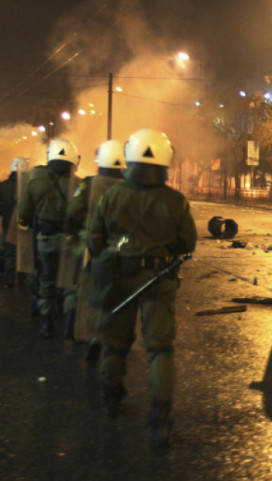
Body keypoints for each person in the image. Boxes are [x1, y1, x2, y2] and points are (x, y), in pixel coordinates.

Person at [87, 128, 196, 448]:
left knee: (115, 342)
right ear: (166, 163)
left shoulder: (112, 196)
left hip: (118, 279)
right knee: (159, 348)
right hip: (158, 282)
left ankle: (110, 396)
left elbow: (94, 240)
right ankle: (161, 419)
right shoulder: (176, 201)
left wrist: (115, 255)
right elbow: (187, 242)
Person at [64, 140, 126, 350]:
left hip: (92, 246)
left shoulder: (89, 184)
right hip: (122, 248)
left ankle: (79, 329)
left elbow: (73, 212)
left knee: (83, 288)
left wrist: (71, 231)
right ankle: (110, 334)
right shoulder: (132, 188)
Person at [17, 139, 80, 338]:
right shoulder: (79, 185)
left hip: (45, 238)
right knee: (70, 279)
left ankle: (47, 323)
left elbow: (23, 214)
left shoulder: (36, 182)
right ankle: (69, 322)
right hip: (71, 239)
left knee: (46, 278)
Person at [0, 158, 20, 287]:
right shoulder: (30, 184)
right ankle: (24, 276)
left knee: (9, 251)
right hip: (26, 224)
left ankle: (10, 278)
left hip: (8, 223)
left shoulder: (3, 185)